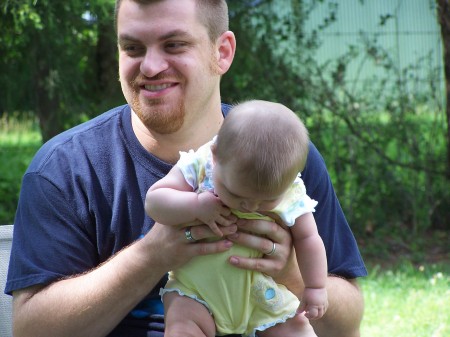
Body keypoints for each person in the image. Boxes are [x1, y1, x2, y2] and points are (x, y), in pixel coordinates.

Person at [5, 1, 367, 337]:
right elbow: (31, 329)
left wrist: (292, 272)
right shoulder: (65, 169)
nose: (149, 66)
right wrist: (153, 254)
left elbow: (346, 324)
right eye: (132, 48)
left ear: (221, 52)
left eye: (174, 45)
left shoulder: (280, 157)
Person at [146, 99, 328, 337]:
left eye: (266, 201)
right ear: (215, 155)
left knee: (297, 329)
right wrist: (196, 205)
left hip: (260, 294)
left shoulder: (292, 192)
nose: (251, 205)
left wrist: (315, 286)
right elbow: (155, 201)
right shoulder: (200, 166)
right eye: (236, 194)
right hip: (196, 291)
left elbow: (309, 238)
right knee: (182, 326)